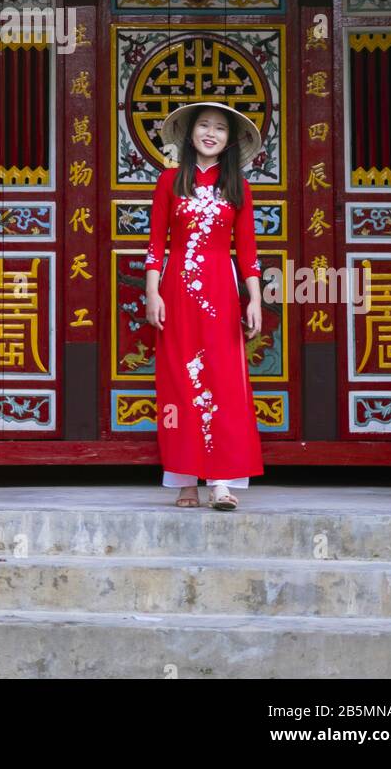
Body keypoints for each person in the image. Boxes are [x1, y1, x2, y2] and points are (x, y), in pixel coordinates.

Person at [144, 101, 265, 511]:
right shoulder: (169, 182)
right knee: (180, 380)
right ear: (190, 133)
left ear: (230, 140)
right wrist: (152, 292)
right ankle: (184, 479)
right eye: (204, 126)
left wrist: (255, 299)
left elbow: (247, 251)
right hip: (176, 291)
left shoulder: (238, 188)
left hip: (221, 290)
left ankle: (222, 482)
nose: (210, 133)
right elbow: (155, 245)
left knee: (225, 379)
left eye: (219, 128)